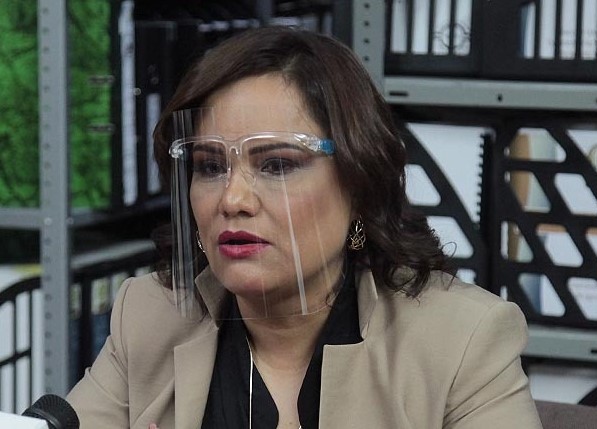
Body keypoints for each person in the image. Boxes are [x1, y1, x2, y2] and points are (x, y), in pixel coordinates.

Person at [66, 26, 543, 429]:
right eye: (210, 167)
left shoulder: (462, 339)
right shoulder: (148, 317)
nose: (232, 200)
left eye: (276, 165)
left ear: (358, 186)